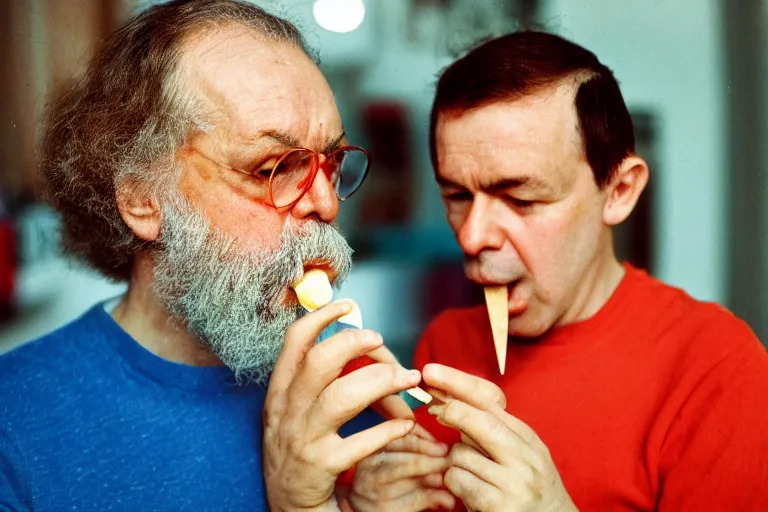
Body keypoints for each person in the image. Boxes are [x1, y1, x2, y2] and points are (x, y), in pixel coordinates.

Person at [0, 1, 423, 511]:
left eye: (330, 163)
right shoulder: (15, 426)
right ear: (142, 196)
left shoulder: (355, 378)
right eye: (271, 167)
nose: (328, 204)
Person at [347, 31, 768, 511]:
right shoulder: (445, 345)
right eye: (458, 197)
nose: (471, 236)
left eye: (521, 198)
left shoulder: (719, 370)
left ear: (619, 191)